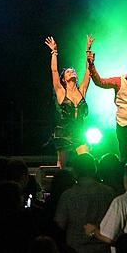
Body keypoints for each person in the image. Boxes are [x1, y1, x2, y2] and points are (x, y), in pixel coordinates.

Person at [54, 153, 115, 253]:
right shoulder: (109, 193)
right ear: (94, 169)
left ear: (75, 172)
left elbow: (59, 224)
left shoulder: (68, 195)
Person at [45, 35, 92, 167]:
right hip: (64, 132)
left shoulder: (81, 90)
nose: (72, 72)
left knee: (87, 160)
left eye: (73, 71)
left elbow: (88, 71)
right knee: (62, 164)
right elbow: (54, 70)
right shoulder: (61, 91)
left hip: (79, 131)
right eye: (68, 72)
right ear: (64, 79)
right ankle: (61, 184)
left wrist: (88, 50)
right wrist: (54, 52)